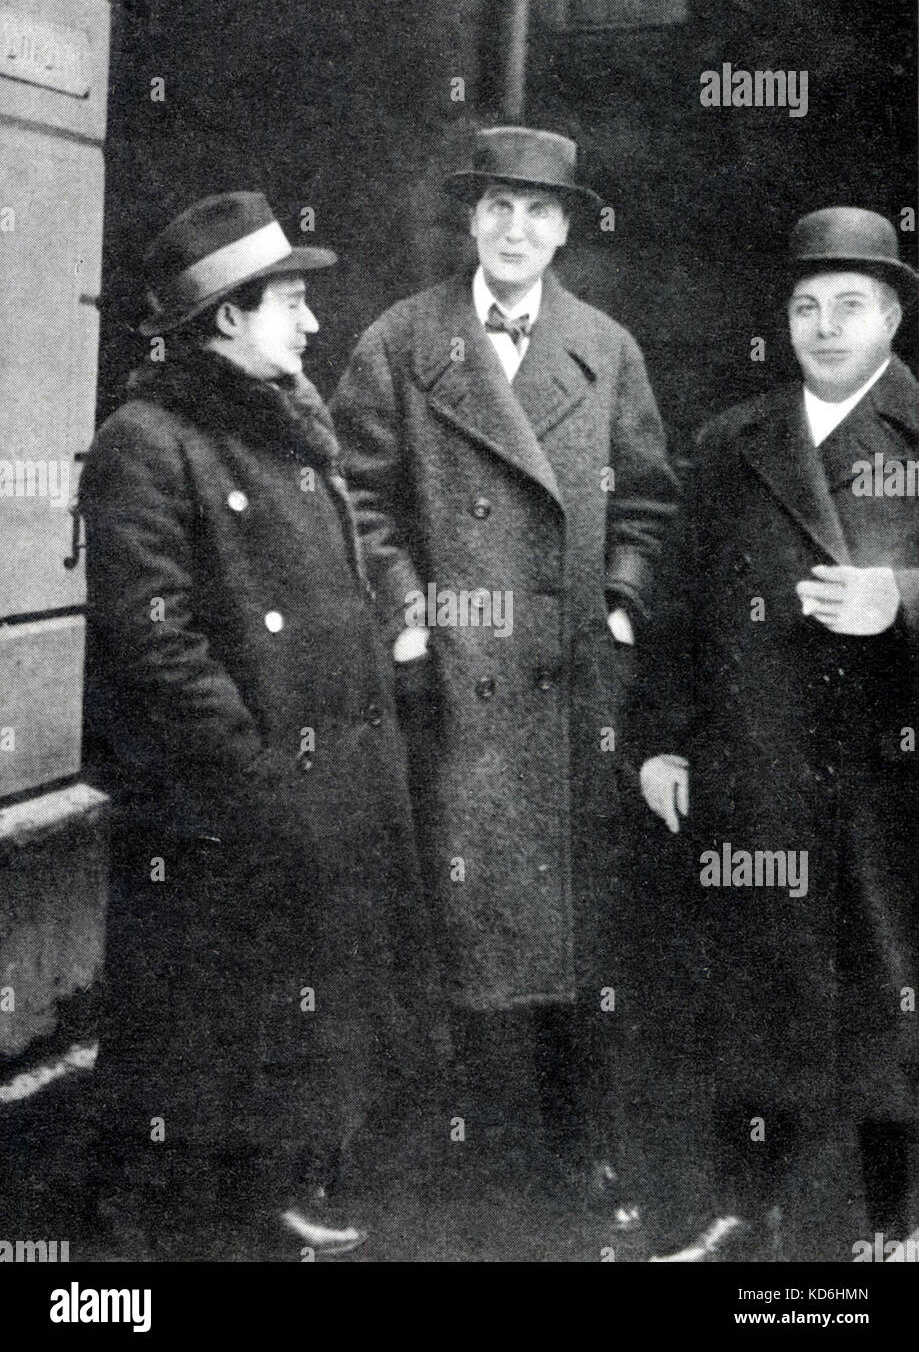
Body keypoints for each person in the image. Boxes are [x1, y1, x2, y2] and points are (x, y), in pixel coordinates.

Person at [331, 127, 679, 1220]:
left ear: (567, 226)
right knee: (454, 922)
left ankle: (584, 1152)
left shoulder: (607, 348)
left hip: (571, 687)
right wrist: (408, 613)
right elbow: (357, 494)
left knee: (578, 931)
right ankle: (453, 1162)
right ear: (470, 220)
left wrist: (622, 605)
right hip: (452, 684)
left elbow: (650, 503)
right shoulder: (401, 338)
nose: (515, 229)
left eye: (538, 211)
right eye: (497, 209)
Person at [80, 191, 432, 1258]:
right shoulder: (145, 442)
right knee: (197, 1011)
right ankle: (147, 1214)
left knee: (294, 1001)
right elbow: (152, 637)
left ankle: (272, 1182)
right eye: (290, 302)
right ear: (227, 317)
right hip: (224, 795)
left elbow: (342, 573)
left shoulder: (289, 417)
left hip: (322, 775)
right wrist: (248, 765)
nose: (312, 323)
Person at [639, 207, 919, 1259]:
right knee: (754, 985)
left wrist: (897, 594)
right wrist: (661, 740)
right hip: (758, 766)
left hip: (890, 781)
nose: (825, 325)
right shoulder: (731, 442)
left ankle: (893, 1224)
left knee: (892, 988)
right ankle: (740, 1211)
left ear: (890, 314)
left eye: (850, 303)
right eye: (806, 306)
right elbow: (675, 606)